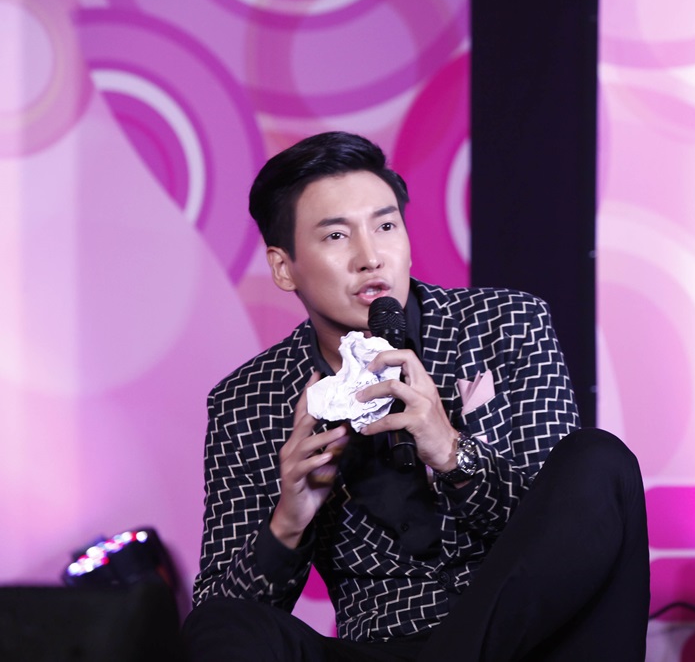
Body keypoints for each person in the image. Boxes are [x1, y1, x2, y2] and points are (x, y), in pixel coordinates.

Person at [181, 131, 650, 661]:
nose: (370, 257)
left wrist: (452, 452)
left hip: (535, 641)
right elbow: (220, 615)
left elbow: (563, 531)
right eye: (336, 236)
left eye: (385, 226)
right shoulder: (248, 399)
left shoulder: (507, 324)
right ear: (284, 267)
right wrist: (289, 520)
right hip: (383, 646)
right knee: (222, 624)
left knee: (600, 461)